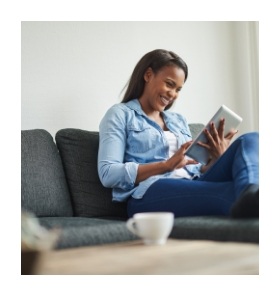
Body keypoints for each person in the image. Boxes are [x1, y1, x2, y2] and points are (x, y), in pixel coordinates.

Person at [98, 49, 259, 219]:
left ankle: (252, 193)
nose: (173, 94)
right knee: (229, 191)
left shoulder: (178, 120)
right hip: (149, 194)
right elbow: (108, 173)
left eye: (178, 89)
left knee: (251, 139)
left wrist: (218, 157)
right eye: (169, 84)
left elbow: (195, 168)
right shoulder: (120, 114)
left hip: (193, 184)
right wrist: (166, 165)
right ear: (148, 75)